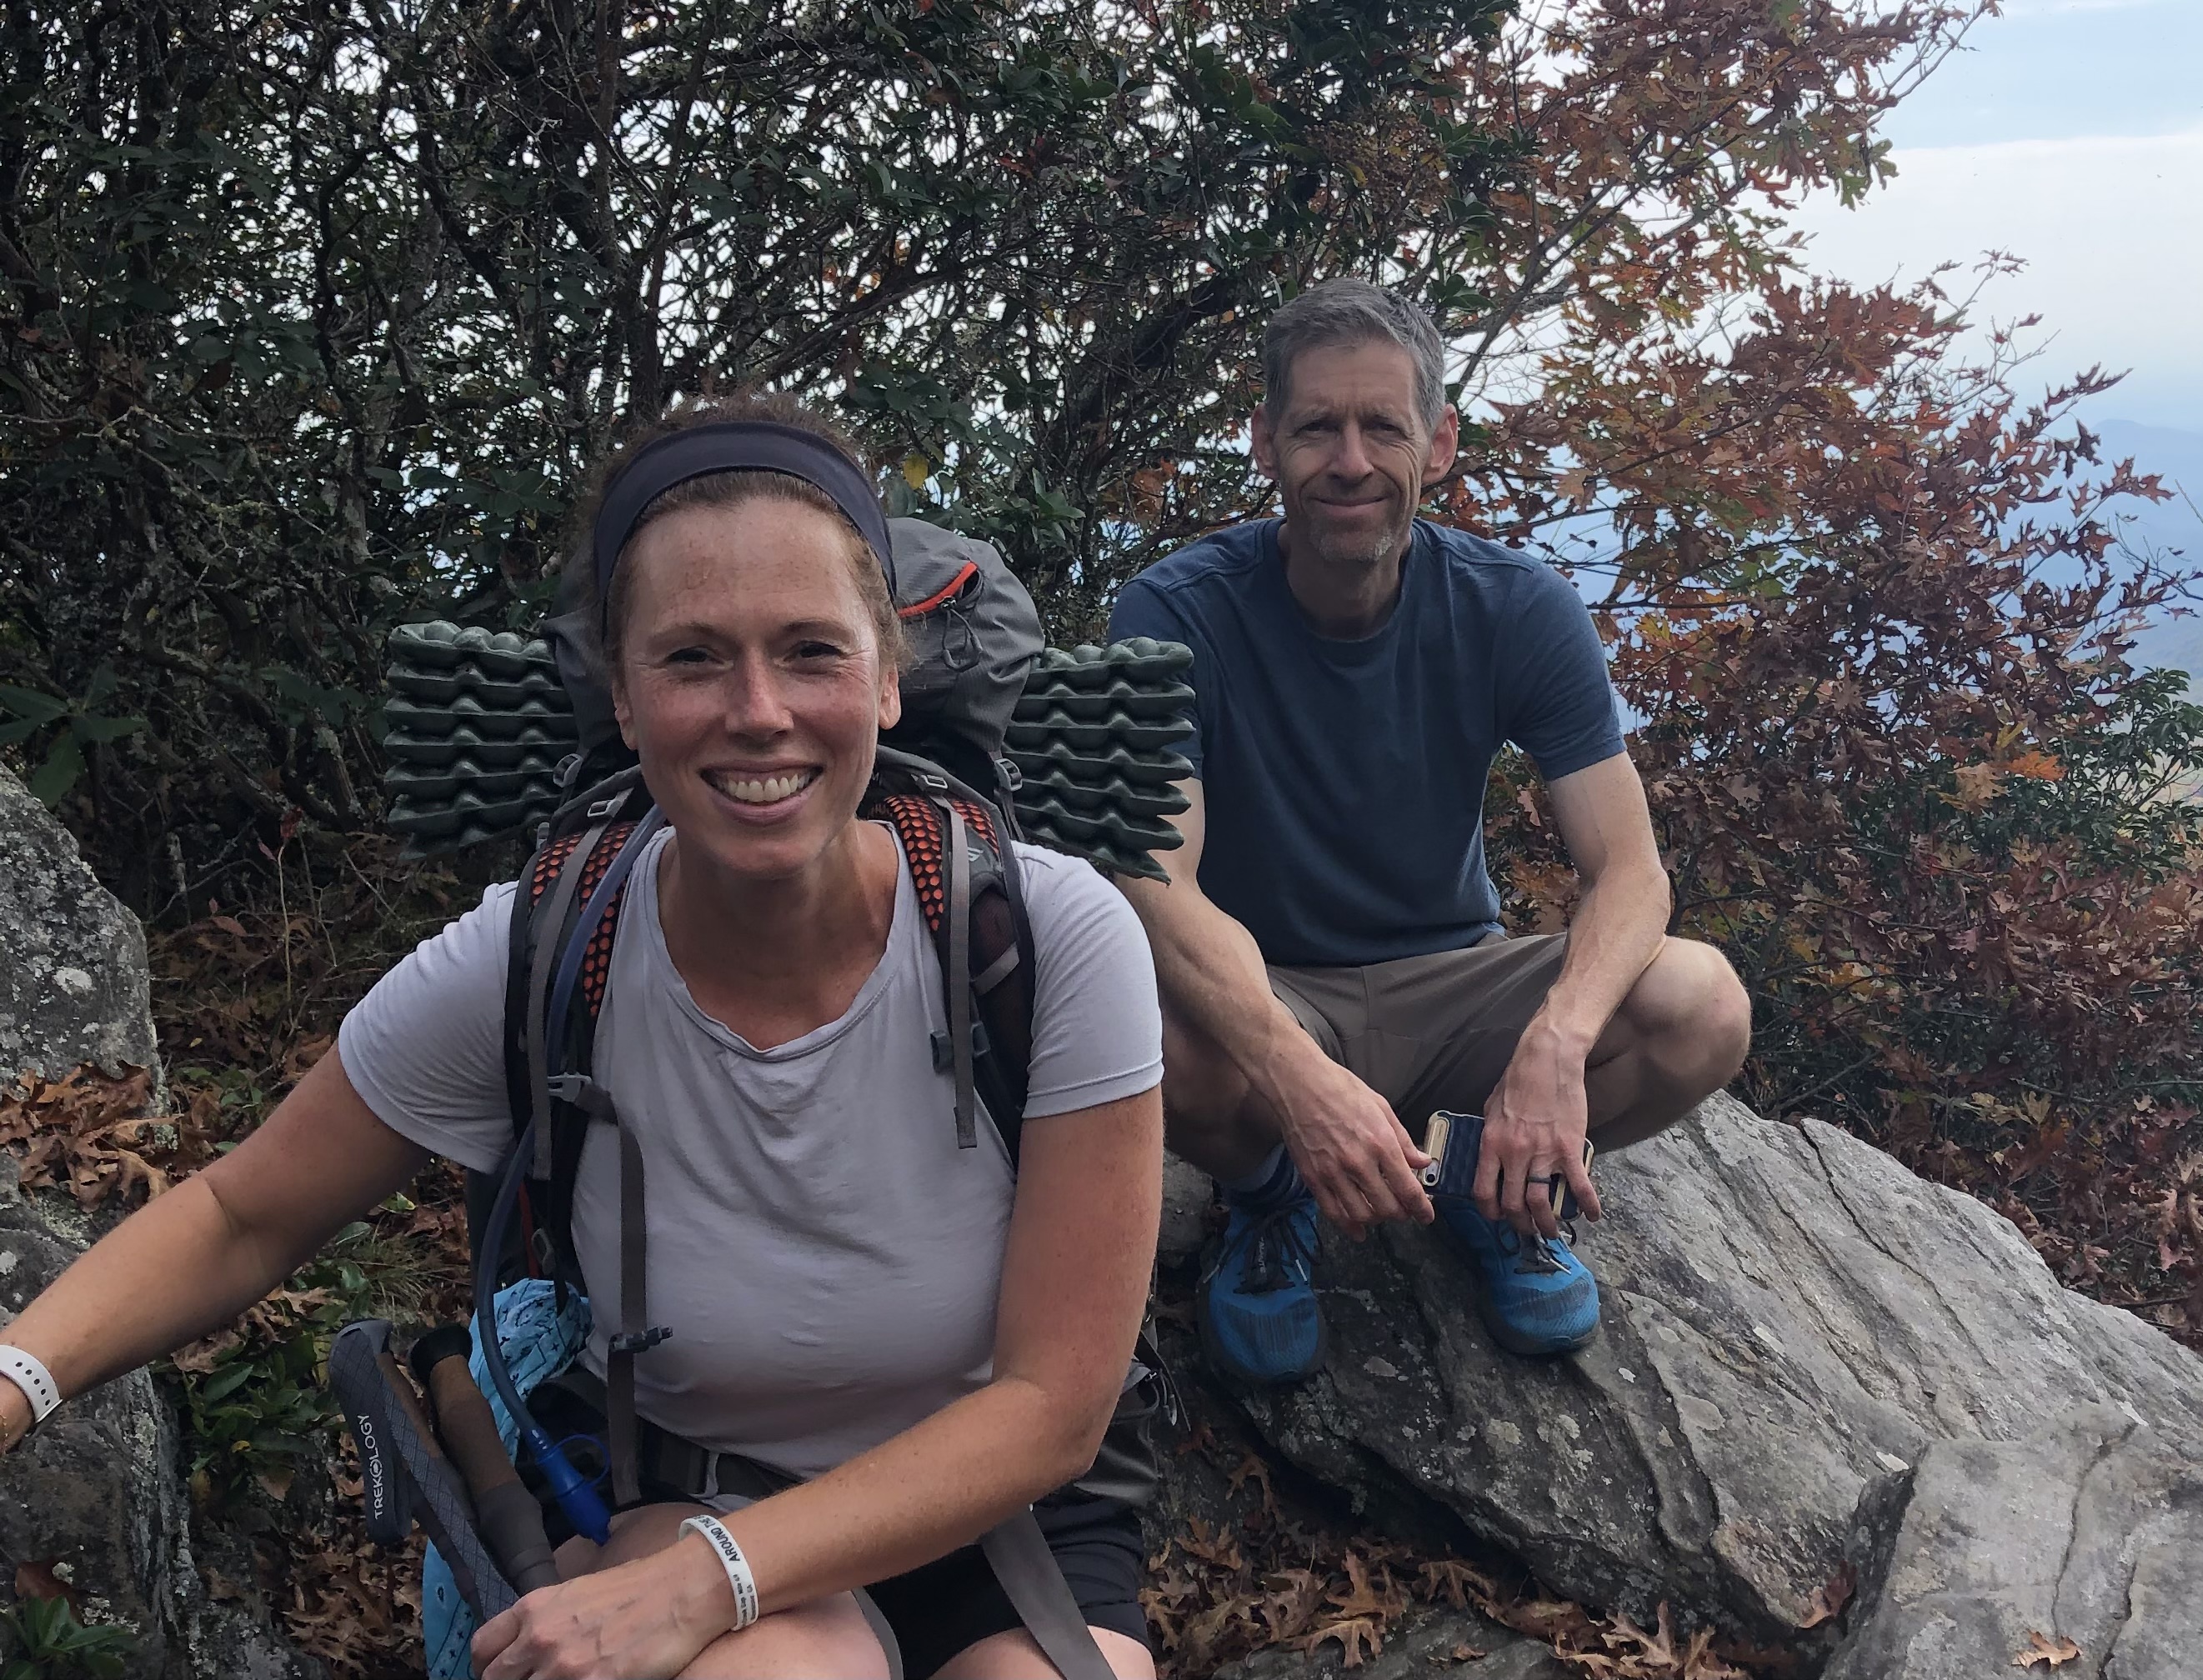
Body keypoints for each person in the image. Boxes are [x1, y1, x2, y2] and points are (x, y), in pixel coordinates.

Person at [0, 392, 1166, 1680]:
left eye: (812, 652)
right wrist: (16, 1384)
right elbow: (242, 1215)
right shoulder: (549, 950)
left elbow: (1054, 1407)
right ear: (620, 693)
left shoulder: (1042, 938)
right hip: (690, 1484)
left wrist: (706, 1584)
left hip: (995, 1504)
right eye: (691, 659)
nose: (759, 711)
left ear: (889, 677)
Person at [1107, 279, 1751, 1386]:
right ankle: (1270, 1199)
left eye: (1382, 427)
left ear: (1438, 443)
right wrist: (1291, 1074)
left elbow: (1630, 871)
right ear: (1264, 443)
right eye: (1316, 426)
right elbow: (1150, 876)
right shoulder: (1173, 612)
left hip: (1455, 980)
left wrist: (1551, 1050)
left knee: (1701, 1007)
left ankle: (1485, 1185)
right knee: (1124, 1020)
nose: (1349, 460)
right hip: (1271, 986)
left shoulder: (1516, 607)